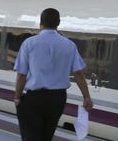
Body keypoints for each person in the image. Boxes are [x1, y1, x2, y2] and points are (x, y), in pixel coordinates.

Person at [12, 8, 94, 141]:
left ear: (40, 23)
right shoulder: (69, 45)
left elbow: (21, 75)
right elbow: (78, 73)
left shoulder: (29, 43)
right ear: (58, 23)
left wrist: (17, 96)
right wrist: (86, 97)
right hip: (57, 100)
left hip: (34, 99)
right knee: (46, 137)